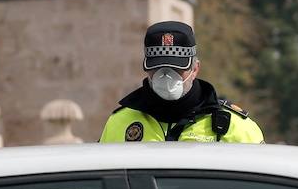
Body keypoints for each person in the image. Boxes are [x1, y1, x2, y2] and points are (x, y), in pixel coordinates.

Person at [99, 21, 264, 144]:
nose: (166, 76)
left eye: (176, 68)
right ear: (147, 69)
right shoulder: (119, 122)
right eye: (158, 67)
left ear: (195, 69)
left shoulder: (235, 127)